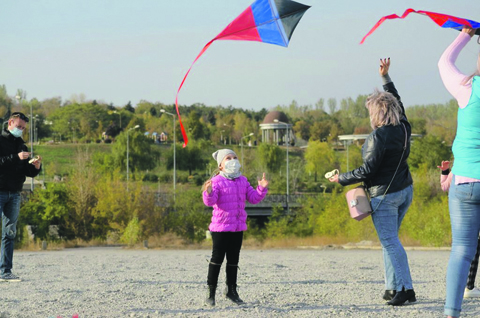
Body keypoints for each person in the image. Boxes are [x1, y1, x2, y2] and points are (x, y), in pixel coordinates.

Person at [329, 58, 415, 306]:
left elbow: (367, 170)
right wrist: (386, 78)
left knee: (389, 241)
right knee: (391, 241)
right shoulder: (404, 127)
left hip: (384, 196)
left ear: (376, 113)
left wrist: (340, 178)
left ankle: (406, 289)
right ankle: (392, 287)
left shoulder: (377, 137)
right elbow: (397, 99)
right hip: (404, 190)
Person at [438, 26, 480, 317]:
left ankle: (451, 312)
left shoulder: (467, 88)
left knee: (462, 251)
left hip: (464, 181)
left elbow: (444, 63)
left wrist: (465, 34)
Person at [202, 149, 268, 306]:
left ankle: (231, 291)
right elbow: (210, 202)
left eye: (234, 157)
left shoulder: (243, 181)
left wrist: (261, 189)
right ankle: (211, 293)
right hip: (220, 228)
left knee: (233, 260)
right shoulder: (216, 181)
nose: (232, 160)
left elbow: (253, 199)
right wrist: (208, 192)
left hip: (237, 227)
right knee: (217, 259)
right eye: (228, 158)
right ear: (220, 166)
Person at [0, 112, 42, 282]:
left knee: (9, 233)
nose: (21, 130)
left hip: (15, 194)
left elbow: (27, 172)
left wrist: (35, 167)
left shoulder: (22, 146)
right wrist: (15, 158)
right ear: (10, 123)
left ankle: (5, 272)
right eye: (19, 127)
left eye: (23, 128)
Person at [438, 160, 480, 299]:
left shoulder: (461, 167)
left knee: (472, 248)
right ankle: (469, 287)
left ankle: (469, 287)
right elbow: (445, 186)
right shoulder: (459, 168)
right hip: (469, 212)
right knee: (472, 249)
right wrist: (445, 171)